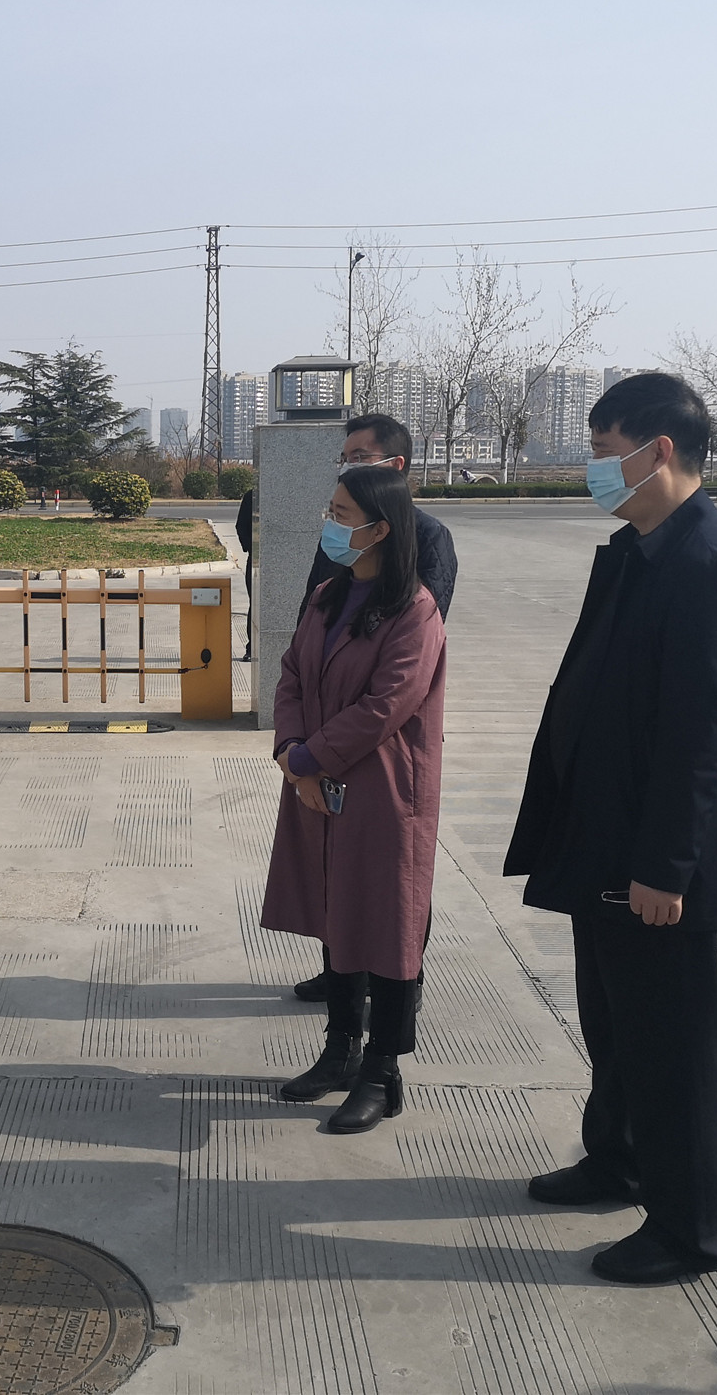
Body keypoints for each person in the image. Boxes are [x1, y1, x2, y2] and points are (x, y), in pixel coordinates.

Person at [503, 372, 717, 1286]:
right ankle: (616, 1158)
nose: (593, 469)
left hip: (660, 865)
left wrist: (665, 866)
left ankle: (686, 1229)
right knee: (616, 1024)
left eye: (603, 451)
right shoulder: (641, 549)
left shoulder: (708, 566)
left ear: (659, 451)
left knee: (672, 1046)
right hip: (607, 840)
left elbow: (702, 740)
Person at [261, 463, 447, 1134]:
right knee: (337, 919)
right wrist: (292, 752)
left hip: (382, 794)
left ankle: (381, 1072)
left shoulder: (415, 611)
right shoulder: (326, 597)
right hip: (318, 786)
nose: (331, 526)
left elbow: (385, 707)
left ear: (380, 528)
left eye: (341, 516)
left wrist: (310, 758)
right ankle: (339, 1051)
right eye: (331, 512)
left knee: (388, 930)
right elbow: (290, 673)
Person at [290, 412, 457, 1004]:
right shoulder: (339, 542)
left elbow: (407, 663)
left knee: (393, 881)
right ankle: (342, 972)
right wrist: (298, 747)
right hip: (327, 733)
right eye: (346, 458)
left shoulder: (426, 541)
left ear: (396, 465)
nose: (348, 467)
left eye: (361, 458)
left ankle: (396, 985)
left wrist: (319, 749)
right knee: (337, 868)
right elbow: (307, 635)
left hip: (382, 745)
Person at [234, 485, 254, 661]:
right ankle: (252, 647)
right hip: (256, 561)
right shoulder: (251, 496)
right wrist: (251, 548)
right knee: (255, 603)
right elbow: (241, 526)